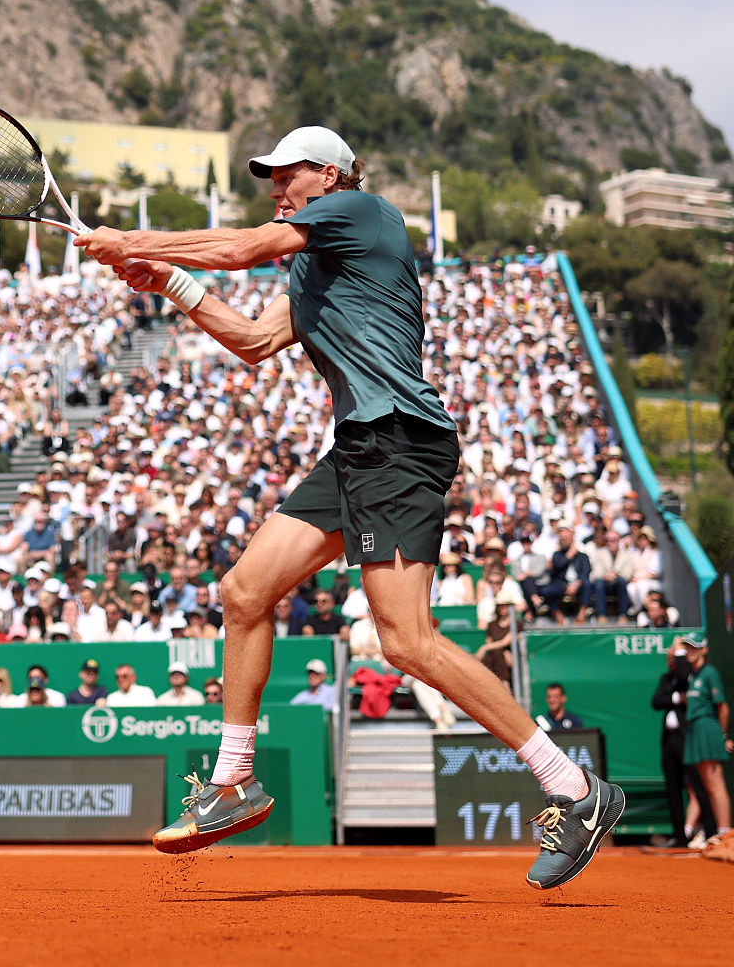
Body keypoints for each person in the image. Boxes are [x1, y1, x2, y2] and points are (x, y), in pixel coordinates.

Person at [82, 123, 623, 887]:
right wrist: (166, 281)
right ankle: (233, 781)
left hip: (402, 442)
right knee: (243, 593)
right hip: (357, 451)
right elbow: (252, 340)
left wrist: (131, 240)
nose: (275, 185)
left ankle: (573, 786)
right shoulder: (313, 268)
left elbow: (239, 249)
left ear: (331, 176)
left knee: (407, 643)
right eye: (269, 175)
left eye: (287, 173)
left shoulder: (360, 211)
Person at [652, 639, 708, 848]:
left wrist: (679, 652)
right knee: (673, 786)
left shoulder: (690, 676)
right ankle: (679, 835)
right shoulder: (666, 679)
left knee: (697, 783)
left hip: (687, 737)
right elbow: (657, 701)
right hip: (669, 739)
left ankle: (710, 829)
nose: (670, 662)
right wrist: (677, 698)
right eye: (669, 659)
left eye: (673, 659)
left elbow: (684, 678)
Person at [680, 633, 733, 842]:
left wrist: (723, 735)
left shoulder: (710, 673)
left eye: (694, 647)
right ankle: (720, 831)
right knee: (706, 785)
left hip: (708, 728)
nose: (690, 651)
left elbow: (723, 707)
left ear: (704, 649)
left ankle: (725, 831)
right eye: (687, 647)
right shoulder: (693, 676)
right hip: (695, 728)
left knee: (715, 782)